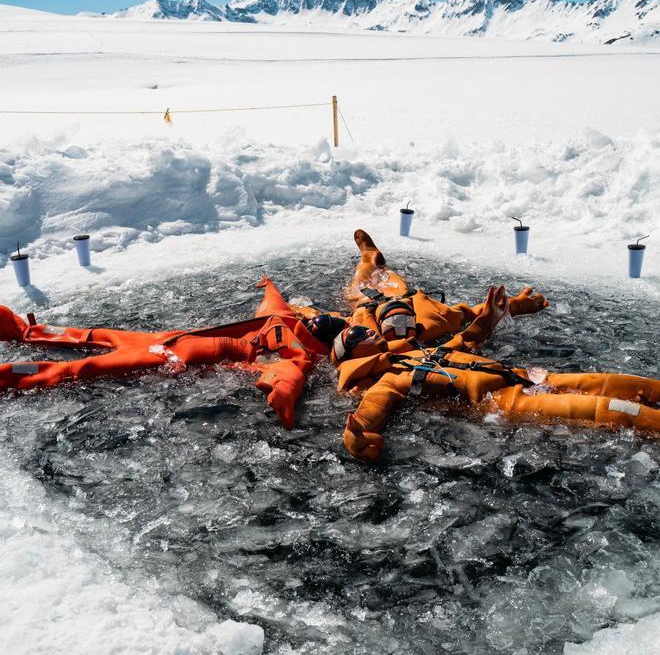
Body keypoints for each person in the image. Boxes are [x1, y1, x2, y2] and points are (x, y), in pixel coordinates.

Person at [330, 231, 660, 462]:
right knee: (614, 410)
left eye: (360, 332)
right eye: (356, 339)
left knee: (614, 383)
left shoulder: (412, 353)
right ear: (353, 357)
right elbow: (368, 418)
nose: (365, 334)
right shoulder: (385, 383)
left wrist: (491, 316)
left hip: (525, 378)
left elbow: (465, 341)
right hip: (505, 401)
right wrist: (357, 439)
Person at [0, 278, 327, 429]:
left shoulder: (296, 343)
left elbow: (289, 368)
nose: (315, 321)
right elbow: (276, 318)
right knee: (89, 344)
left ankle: (12, 367)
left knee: (85, 360)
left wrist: (283, 391)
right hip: (166, 345)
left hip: (168, 349)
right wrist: (270, 286)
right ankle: (23, 334)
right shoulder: (293, 330)